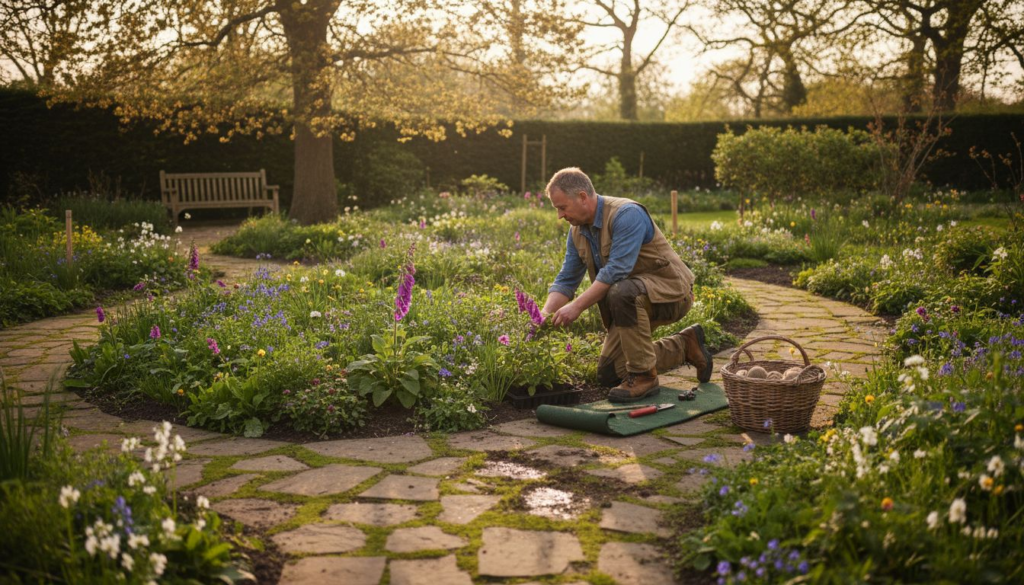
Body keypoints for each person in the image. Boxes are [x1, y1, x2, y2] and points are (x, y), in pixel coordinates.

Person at [540, 167, 713, 403]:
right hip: (634, 299)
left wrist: (577, 307)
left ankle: (644, 377)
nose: (560, 215)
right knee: (611, 373)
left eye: (562, 207)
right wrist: (543, 316)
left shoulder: (626, 214)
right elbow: (566, 279)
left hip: (671, 295)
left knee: (620, 290)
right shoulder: (577, 231)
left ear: (582, 197)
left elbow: (616, 272)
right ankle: (685, 346)